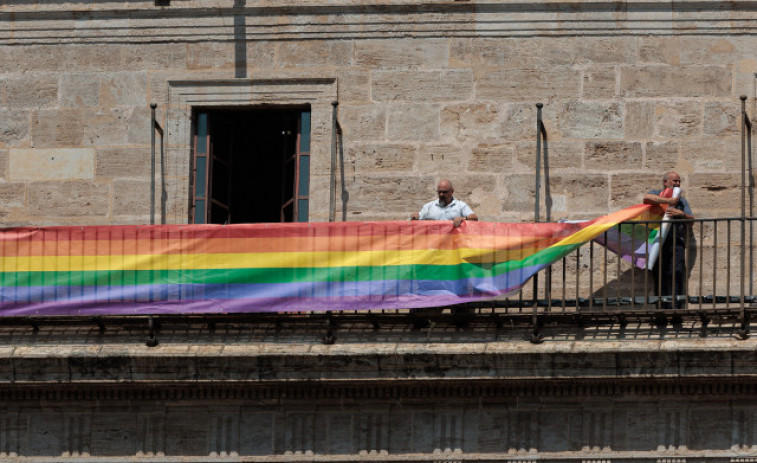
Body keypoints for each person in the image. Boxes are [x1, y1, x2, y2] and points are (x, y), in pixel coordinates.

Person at [643, 171, 695, 304]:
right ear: (666, 182)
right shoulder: (657, 193)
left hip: (676, 242)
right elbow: (647, 198)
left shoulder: (682, 201)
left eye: (679, 181)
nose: (678, 184)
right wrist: (668, 201)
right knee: (659, 276)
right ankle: (661, 310)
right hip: (657, 243)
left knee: (676, 274)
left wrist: (681, 213)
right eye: (675, 181)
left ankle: (676, 308)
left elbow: (691, 221)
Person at [410, 179, 479, 227]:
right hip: (433, 245)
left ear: (452, 191)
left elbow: (474, 218)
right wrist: (415, 216)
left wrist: (462, 219)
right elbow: (416, 219)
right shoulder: (429, 207)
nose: (441, 194)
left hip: (453, 245)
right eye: (439, 192)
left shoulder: (460, 206)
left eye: (444, 192)